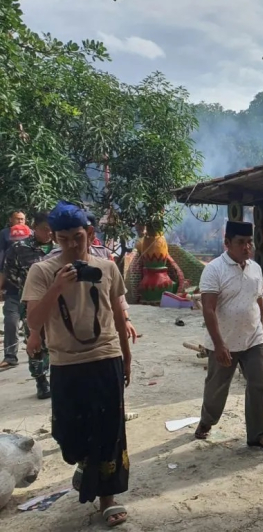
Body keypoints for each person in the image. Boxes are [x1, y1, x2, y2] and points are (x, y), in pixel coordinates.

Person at [22, 201, 131, 527]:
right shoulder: (41, 271)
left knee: (110, 431)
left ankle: (108, 500)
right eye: (64, 238)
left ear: (90, 233)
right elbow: (34, 321)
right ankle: (84, 460)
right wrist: (57, 287)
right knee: (69, 434)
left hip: (105, 356)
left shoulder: (107, 268)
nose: (71, 245)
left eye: (78, 238)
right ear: (54, 237)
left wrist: (126, 357)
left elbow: (118, 313)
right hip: (65, 363)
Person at [193, 221, 263, 451]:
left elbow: (258, 300)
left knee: (258, 386)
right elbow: (208, 309)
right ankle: (206, 421)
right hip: (224, 342)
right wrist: (220, 344)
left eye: (249, 242)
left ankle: (258, 435)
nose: (246, 247)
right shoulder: (213, 270)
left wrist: (260, 326)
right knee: (217, 389)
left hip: (253, 339)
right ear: (227, 243)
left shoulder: (255, 269)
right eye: (241, 242)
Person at [44, 212, 138, 343]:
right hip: (65, 331)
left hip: (102, 331)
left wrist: (126, 319)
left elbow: (116, 295)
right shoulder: (51, 260)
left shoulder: (103, 255)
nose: (74, 243)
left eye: (79, 235)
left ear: (91, 233)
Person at [3, 212, 54, 397]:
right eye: (44, 229)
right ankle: (41, 380)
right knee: (35, 341)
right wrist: (29, 287)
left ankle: (58, 376)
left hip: (59, 304)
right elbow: (10, 273)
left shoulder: (60, 247)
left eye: (51, 230)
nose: (49, 233)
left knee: (58, 340)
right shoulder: (20, 248)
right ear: (35, 227)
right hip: (33, 302)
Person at [0, 221, 32, 369]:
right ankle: (10, 356)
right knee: (11, 322)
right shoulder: (8, 254)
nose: (18, 243)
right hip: (13, 293)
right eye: (15, 240)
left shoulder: (37, 251)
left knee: (34, 327)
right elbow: (3, 272)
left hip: (33, 295)